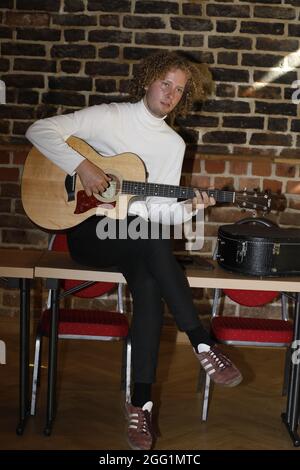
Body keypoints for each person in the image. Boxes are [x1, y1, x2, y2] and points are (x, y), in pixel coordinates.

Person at [26, 50, 242, 450]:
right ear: (148, 80)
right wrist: (82, 167)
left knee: (149, 278)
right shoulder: (110, 117)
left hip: (134, 239)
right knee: (151, 239)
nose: (171, 95)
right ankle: (201, 341)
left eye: (179, 91)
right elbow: (39, 131)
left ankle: (140, 404)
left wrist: (189, 206)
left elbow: (160, 212)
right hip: (89, 232)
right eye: (166, 84)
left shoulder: (173, 144)